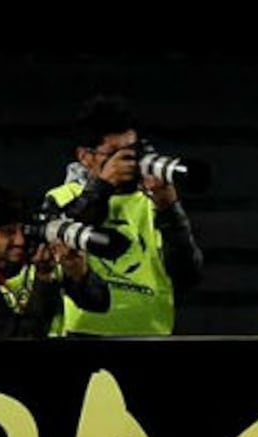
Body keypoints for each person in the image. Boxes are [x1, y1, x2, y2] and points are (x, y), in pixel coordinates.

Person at [42, 95, 202, 336]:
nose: (125, 162)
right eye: (114, 153)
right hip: (82, 334)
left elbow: (187, 274)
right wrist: (102, 185)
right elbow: (59, 243)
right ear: (85, 156)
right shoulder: (61, 198)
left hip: (151, 335)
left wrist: (170, 208)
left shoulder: (153, 199)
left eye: (131, 151)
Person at [0, 185, 109, 339]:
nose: (20, 240)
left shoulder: (39, 254)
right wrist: (44, 278)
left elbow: (98, 303)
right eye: (8, 233)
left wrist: (78, 274)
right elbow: (22, 338)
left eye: (23, 230)